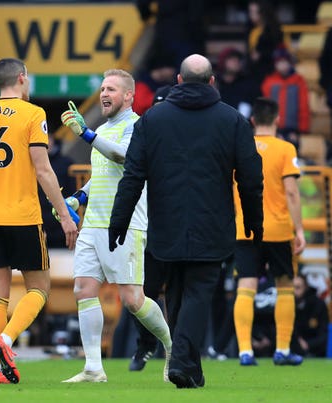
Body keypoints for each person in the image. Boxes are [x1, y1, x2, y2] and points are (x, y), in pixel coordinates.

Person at [108, 54, 264, 389]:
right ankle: (182, 361)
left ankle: (189, 369)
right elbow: (251, 178)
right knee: (197, 293)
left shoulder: (151, 120)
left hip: (166, 222)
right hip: (213, 223)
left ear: (179, 81)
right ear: (212, 81)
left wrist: (118, 222)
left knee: (177, 293)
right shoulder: (233, 120)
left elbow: (133, 176)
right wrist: (254, 220)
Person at [0, 57, 78, 384]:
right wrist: (66, 216)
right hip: (23, 216)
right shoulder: (33, 114)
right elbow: (43, 170)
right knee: (39, 288)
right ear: (22, 78)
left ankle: (0, 369)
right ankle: (6, 340)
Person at [57, 70, 172, 383]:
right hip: (94, 223)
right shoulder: (103, 128)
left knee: (133, 299)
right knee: (83, 289)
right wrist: (78, 198)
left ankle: (171, 347)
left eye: (111, 89)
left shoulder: (138, 126)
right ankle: (94, 367)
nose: (104, 93)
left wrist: (86, 135)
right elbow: (105, 174)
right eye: (103, 88)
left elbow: (124, 158)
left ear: (129, 96)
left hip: (127, 222)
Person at [233, 97, 306, 367]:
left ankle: (244, 351)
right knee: (285, 287)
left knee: (246, 286)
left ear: (253, 121)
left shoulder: (239, 148)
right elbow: (291, 191)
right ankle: (283, 350)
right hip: (278, 230)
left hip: (246, 228)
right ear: (277, 120)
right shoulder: (286, 149)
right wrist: (299, 229)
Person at [126, 85, 171, 372]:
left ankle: (180, 348)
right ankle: (146, 343)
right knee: (142, 293)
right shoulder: (140, 139)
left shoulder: (180, 141)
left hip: (175, 225)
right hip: (147, 228)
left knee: (182, 291)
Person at [261, 47, 310, 150]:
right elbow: (265, 108)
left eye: (285, 62)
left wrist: (301, 131)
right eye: (279, 62)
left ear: (290, 63)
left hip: (293, 130)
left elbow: (303, 106)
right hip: (274, 129)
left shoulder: (299, 81)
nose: (282, 65)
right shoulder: (269, 82)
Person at [292, 273, 329, 357]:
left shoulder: (318, 305)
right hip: (293, 350)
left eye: (298, 288)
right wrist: (298, 341)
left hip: (316, 352)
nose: (294, 291)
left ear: (305, 287)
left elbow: (323, 333)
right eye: (292, 288)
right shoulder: (287, 306)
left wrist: (308, 344)